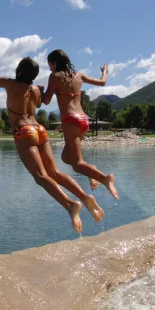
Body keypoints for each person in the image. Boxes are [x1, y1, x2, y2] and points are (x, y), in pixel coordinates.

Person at [0, 56, 104, 233]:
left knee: (40, 176)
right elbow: (40, 102)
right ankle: (85, 197)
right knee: (54, 172)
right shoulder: (36, 90)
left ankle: (71, 205)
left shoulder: (10, 84)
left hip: (24, 131)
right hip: (40, 129)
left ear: (19, 71)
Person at [41, 49, 118, 199]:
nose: (49, 68)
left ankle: (104, 178)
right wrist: (105, 71)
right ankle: (91, 171)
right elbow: (102, 82)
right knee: (65, 157)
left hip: (71, 121)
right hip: (84, 120)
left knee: (77, 164)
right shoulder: (79, 75)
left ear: (55, 63)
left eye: (50, 65)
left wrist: (38, 91)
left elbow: (46, 100)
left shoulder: (55, 76)